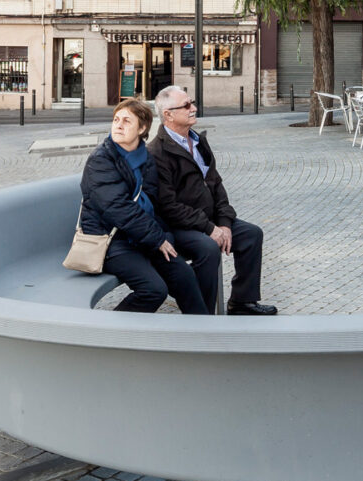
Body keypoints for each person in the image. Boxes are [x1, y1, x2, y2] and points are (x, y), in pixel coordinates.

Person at [150, 86, 277, 316]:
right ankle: (202, 315)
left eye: (192, 103)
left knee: (251, 234)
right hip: (178, 227)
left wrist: (225, 223)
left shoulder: (198, 141)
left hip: (209, 220)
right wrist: (210, 229)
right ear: (168, 114)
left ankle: (241, 302)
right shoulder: (157, 152)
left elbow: (216, 185)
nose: (194, 108)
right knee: (208, 248)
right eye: (187, 105)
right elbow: (168, 207)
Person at [79, 97, 211, 316]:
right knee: (153, 289)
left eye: (126, 121)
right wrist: (158, 239)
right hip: (110, 240)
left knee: (184, 275)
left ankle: (203, 334)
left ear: (142, 128)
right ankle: (108, 332)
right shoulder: (100, 161)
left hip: (140, 236)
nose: (118, 125)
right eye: (116, 120)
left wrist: (165, 235)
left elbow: (152, 203)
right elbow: (118, 209)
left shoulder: (145, 158)